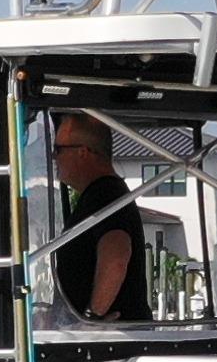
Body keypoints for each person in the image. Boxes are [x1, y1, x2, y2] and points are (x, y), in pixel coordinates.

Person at [42, 112, 152, 323]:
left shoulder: (105, 194)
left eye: (58, 150)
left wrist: (92, 318)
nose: (54, 158)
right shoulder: (102, 194)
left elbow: (116, 256)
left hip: (112, 338)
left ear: (83, 152)